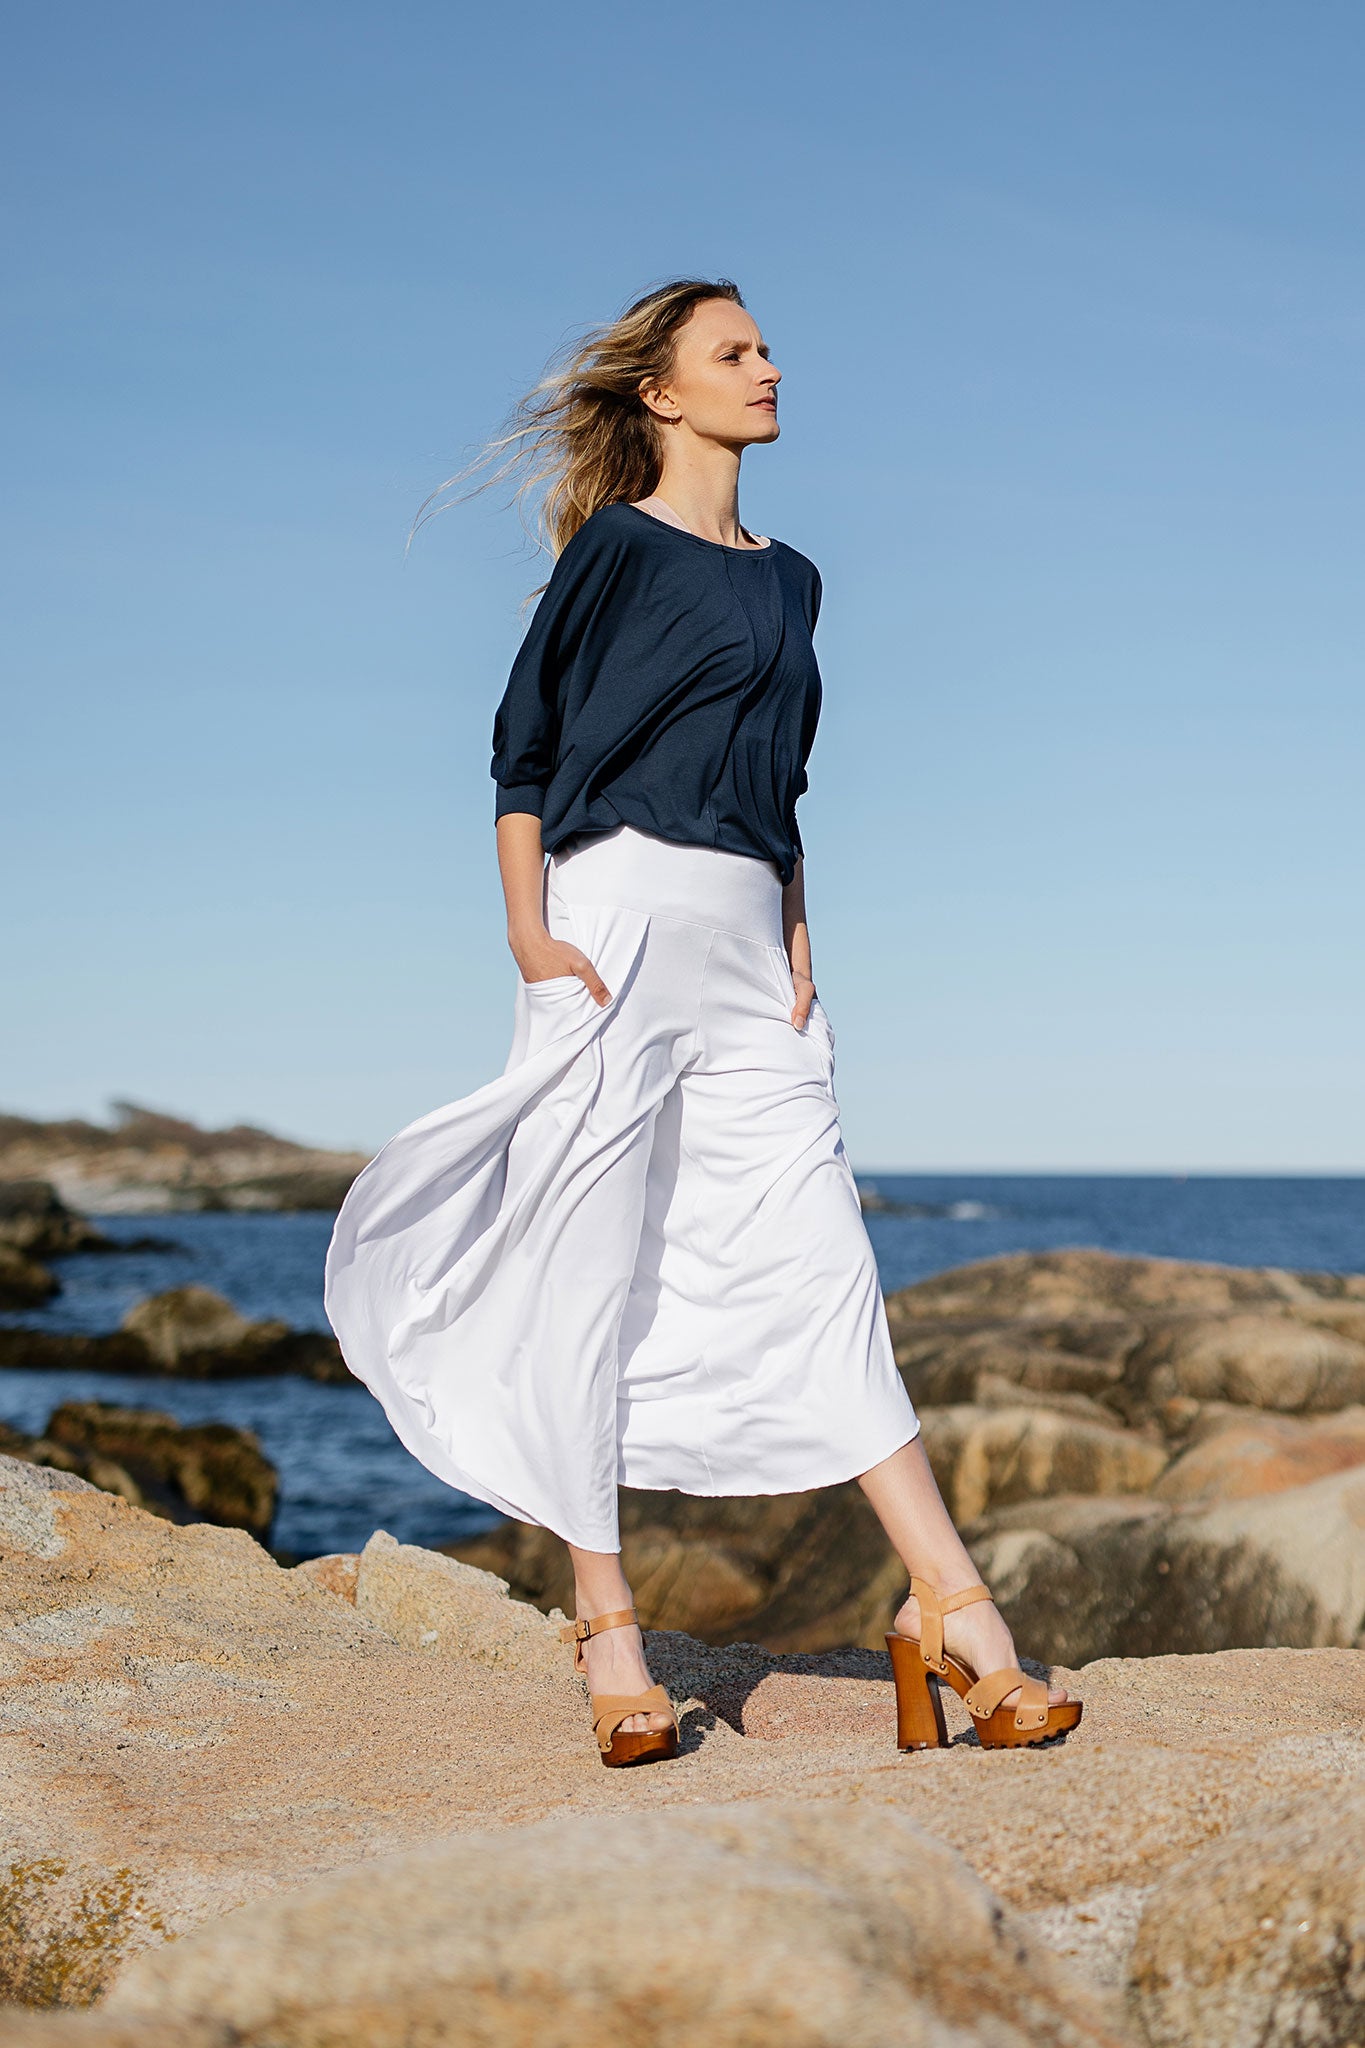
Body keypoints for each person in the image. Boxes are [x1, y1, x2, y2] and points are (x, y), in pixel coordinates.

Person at [324, 276, 1080, 1767]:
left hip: (752, 953)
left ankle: (949, 1606)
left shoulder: (796, 580)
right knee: (585, 1264)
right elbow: (523, 747)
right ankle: (608, 1631)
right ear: (663, 393)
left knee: (822, 1262)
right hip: (611, 929)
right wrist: (531, 935)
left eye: (767, 348)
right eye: (735, 352)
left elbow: (781, 782)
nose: (769, 367)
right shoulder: (615, 546)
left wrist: (798, 936)